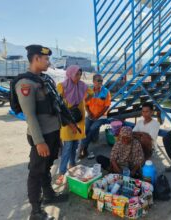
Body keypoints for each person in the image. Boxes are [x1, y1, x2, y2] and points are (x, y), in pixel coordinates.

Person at [16, 45, 68, 220]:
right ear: (36, 58)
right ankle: (36, 211)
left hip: (53, 133)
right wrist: (39, 142)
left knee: (47, 167)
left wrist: (58, 135)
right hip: (41, 136)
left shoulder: (44, 79)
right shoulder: (26, 83)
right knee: (36, 171)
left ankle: (49, 195)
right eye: (46, 59)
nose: (49, 62)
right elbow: (30, 116)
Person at [55, 65, 94, 185]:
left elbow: (91, 93)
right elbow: (57, 103)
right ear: (70, 74)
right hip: (67, 120)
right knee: (67, 147)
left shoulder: (82, 85)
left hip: (79, 119)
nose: (79, 77)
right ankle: (61, 173)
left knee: (75, 145)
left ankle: (72, 165)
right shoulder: (62, 86)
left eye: (80, 74)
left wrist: (84, 99)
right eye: (76, 74)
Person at [79, 74, 111, 159]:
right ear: (93, 82)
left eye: (101, 80)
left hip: (101, 117)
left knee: (93, 128)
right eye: (98, 80)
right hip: (91, 115)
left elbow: (107, 106)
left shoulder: (106, 92)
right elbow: (86, 104)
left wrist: (98, 116)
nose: (101, 82)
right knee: (86, 129)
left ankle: (82, 148)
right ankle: (85, 149)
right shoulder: (89, 92)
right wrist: (89, 114)